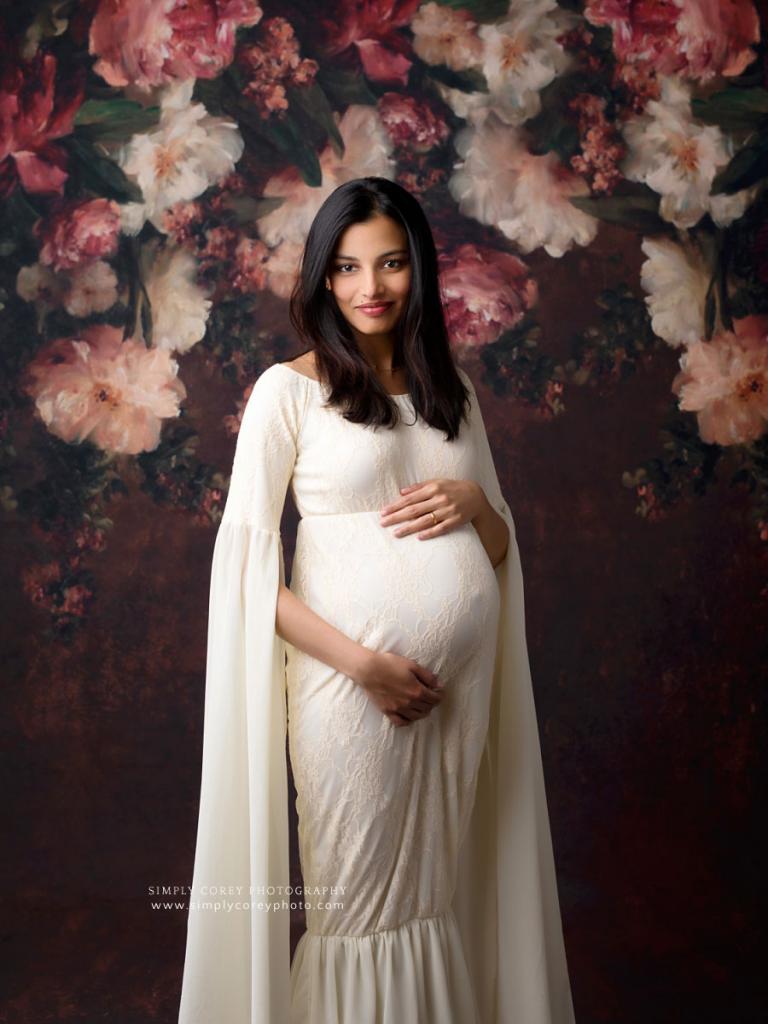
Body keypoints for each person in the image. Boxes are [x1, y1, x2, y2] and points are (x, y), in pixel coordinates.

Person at [177, 176, 576, 1023]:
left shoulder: (452, 393)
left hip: (453, 700)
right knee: (357, 911)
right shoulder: (287, 393)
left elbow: (500, 551)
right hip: (351, 693)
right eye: (350, 267)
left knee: (431, 902)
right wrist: (364, 666)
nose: (371, 287)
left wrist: (476, 505)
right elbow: (244, 578)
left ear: (418, 270)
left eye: (391, 264)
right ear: (324, 276)